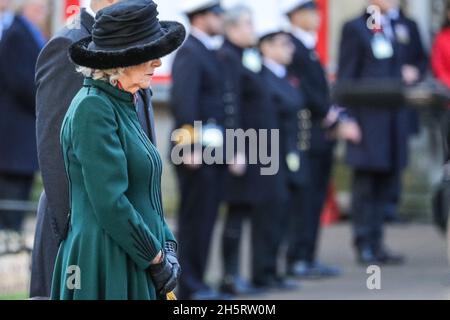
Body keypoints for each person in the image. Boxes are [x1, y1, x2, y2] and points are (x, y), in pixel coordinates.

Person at [50, 0, 185, 300]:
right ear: (120, 61)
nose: (158, 62)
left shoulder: (121, 102)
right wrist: (156, 257)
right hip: (105, 259)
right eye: (149, 54)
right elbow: (110, 202)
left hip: (133, 255)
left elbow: (145, 192)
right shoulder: (93, 107)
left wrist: (168, 245)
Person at [218, 5, 286, 295]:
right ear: (232, 28)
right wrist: (234, 149)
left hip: (260, 148)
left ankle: (248, 274)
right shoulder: (226, 57)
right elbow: (229, 107)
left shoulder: (247, 55)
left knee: (250, 209)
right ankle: (229, 276)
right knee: (237, 211)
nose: (252, 30)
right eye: (247, 25)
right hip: (244, 149)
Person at [337, 0, 409, 265]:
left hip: (392, 119)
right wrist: (347, 118)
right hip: (367, 119)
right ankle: (363, 242)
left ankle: (378, 242)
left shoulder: (395, 27)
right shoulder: (355, 28)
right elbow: (346, 76)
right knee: (366, 184)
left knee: (385, 184)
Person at [170, 0, 232, 300]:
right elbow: (185, 103)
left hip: (213, 148)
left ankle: (199, 282)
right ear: (202, 17)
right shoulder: (190, 51)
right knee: (194, 221)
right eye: (217, 15)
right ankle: (190, 286)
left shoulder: (208, 50)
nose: (221, 20)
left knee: (206, 219)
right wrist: (189, 146)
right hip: (196, 151)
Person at [281, 0, 341, 279]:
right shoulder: (292, 46)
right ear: (296, 16)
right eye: (310, 12)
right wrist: (329, 112)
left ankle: (308, 255)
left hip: (319, 135)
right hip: (305, 136)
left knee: (315, 198)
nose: (316, 17)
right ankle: (297, 257)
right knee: (304, 200)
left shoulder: (307, 46)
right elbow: (304, 91)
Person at [255, 24, 302, 291]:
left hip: (287, 155)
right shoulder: (262, 76)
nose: (289, 50)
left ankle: (274, 268)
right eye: (283, 44)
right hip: (269, 155)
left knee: (283, 216)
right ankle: (263, 271)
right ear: (267, 48)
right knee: (268, 218)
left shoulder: (285, 76)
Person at [0, 0, 47, 252]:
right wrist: (45, 101)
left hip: (22, 134)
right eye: (38, 7)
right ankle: (8, 245)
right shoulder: (17, 34)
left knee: (20, 190)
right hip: (13, 136)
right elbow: (21, 81)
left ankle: (13, 240)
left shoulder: (27, 32)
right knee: (11, 193)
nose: (43, 13)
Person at [382, 0, 427, 223]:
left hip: (402, 100)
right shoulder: (370, 24)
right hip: (379, 102)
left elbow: (421, 57)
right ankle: (379, 208)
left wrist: (414, 71)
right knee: (377, 155)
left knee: (399, 154)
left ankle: (393, 205)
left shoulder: (408, 24)